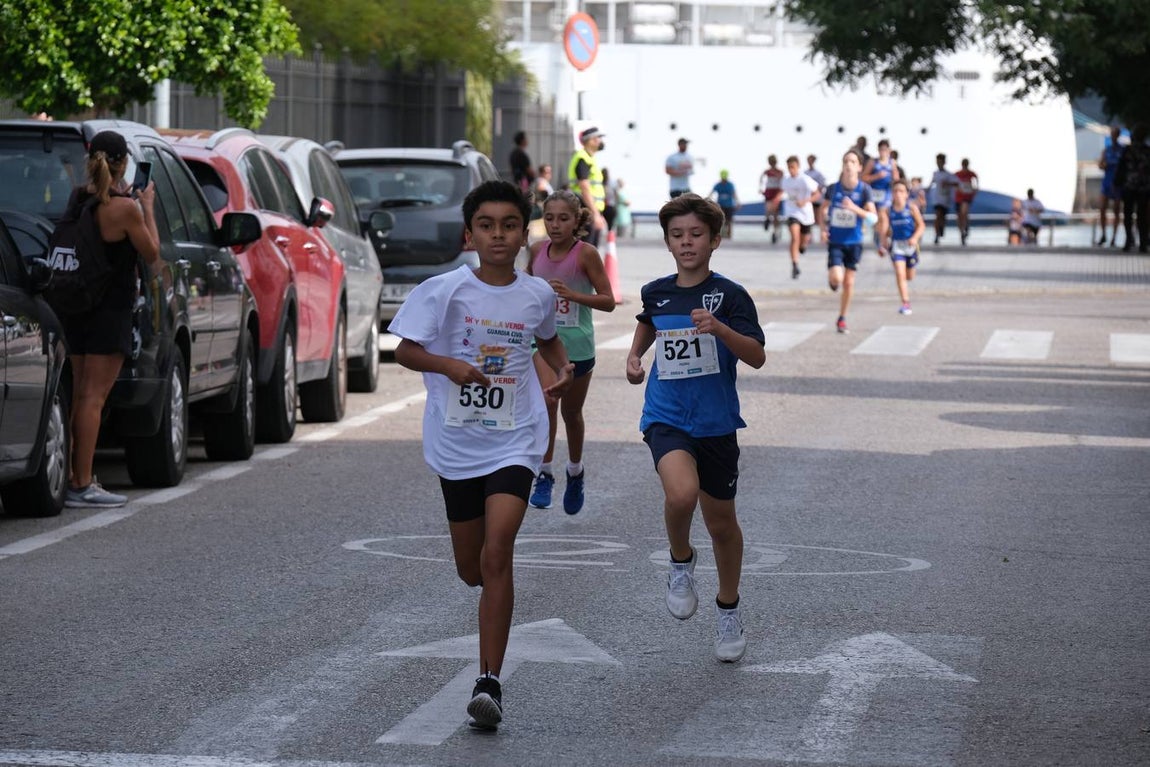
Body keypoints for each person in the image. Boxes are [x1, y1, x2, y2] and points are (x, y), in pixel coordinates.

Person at [390, 180, 575, 730]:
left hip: (517, 438)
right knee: (472, 569)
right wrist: (451, 366)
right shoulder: (443, 290)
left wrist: (562, 370)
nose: (499, 235)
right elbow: (403, 350)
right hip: (457, 444)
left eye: (510, 225)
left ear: (524, 233)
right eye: (488, 225)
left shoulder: (538, 293)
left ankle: (488, 682)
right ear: (470, 234)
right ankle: (490, 591)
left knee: (498, 553)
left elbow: (545, 340)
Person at [624, 193, 766, 663]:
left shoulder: (731, 295)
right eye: (678, 235)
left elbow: (757, 355)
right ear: (667, 242)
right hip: (666, 416)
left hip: (716, 423)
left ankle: (728, 608)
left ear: (714, 241)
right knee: (681, 495)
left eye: (696, 234)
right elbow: (649, 322)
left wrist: (721, 330)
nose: (687, 243)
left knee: (722, 522)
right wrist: (634, 355)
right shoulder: (657, 290)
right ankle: (680, 560)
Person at [64, 130, 160, 508]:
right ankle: (83, 484)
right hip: (110, 310)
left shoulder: (77, 199)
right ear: (123, 164)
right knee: (94, 397)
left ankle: (72, 476)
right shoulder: (124, 208)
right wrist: (147, 206)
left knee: (77, 396)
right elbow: (152, 254)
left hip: (75, 305)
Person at [526, 190, 616, 514]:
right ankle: (545, 472)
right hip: (545, 342)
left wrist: (573, 296)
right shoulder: (536, 251)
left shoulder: (586, 254)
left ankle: (575, 472)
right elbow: (523, 290)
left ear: (577, 220)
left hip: (578, 344)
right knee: (548, 402)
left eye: (563, 218)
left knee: (571, 414)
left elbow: (608, 301)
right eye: (549, 218)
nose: (554, 225)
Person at [823, 150, 877, 334]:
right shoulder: (833, 188)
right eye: (846, 161)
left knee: (849, 283)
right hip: (836, 242)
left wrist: (854, 208)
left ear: (859, 167)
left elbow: (873, 218)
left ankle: (842, 318)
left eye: (853, 161)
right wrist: (823, 228)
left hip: (855, 242)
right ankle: (833, 279)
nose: (848, 164)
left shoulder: (864, 190)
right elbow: (822, 210)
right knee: (838, 278)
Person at [885, 180, 926, 316]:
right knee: (899, 273)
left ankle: (905, 294)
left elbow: (921, 226)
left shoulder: (911, 208)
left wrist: (914, 238)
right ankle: (905, 302)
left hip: (911, 247)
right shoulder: (889, 210)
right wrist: (883, 240)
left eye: (901, 191)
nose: (898, 194)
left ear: (906, 194)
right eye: (895, 191)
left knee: (909, 276)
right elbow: (885, 229)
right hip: (897, 246)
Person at [780, 155, 821, 279]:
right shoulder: (786, 181)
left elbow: (818, 194)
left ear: (798, 167)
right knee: (794, 237)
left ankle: (803, 247)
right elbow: (782, 193)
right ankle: (795, 265)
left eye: (793, 167)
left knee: (803, 243)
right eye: (789, 167)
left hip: (806, 214)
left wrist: (805, 201)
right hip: (792, 212)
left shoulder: (805, 180)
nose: (791, 170)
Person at [568, 127, 608, 246]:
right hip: (585, 209)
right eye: (597, 138)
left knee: (589, 249)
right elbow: (584, 187)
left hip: (588, 209)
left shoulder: (589, 158)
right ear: (589, 141)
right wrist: (595, 214)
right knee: (586, 249)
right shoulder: (583, 159)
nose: (600, 141)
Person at [1116, 123, 1150, 253]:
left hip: (1130, 186)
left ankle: (1129, 240)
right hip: (1143, 187)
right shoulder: (1147, 151)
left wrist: (1117, 184)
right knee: (1142, 216)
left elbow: (1121, 169)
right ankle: (1142, 242)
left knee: (1128, 215)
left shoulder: (1128, 150)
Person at [862, 139, 898, 255]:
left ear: (889, 150)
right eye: (881, 149)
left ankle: (883, 243)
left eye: (885, 150)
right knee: (876, 219)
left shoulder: (892, 163)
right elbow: (863, 177)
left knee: (883, 215)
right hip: (874, 192)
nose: (883, 152)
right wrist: (877, 176)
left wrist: (894, 180)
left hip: (886, 193)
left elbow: (896, 179)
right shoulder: (873, 162)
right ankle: (879, 239)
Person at [1098, 125, 1125, 247]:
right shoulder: (1106, 150)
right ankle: (1103, 235)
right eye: (1112, 134)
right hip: (1107, 182)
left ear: (1118, 135)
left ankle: (1114, 238)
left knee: (1116, 210)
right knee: (1102, 208)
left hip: (1118, 183)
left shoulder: (1122, 150)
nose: (1113, 136)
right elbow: (1100, 164)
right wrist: (1104, 165)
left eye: (1115, 134)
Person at [928, 153, 958, 244]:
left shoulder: (948, 174)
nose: (939, 163)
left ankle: (941, 229)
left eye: (940, 161)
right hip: (937, 199)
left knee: (942, 216)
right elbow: (931, 183)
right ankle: (936, 235)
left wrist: (947, 184)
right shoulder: (935, 173)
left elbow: (956, 183)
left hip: (946, 199)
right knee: (938, 215)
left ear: (944, 162)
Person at [953, 158, 979, 245]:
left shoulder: (971, 174)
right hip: (958, 197)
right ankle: (962, 233)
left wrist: (974, 190)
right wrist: (957, 188)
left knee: (964, 212)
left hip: (967, 197)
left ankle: (966, 227)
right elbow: (954, 183)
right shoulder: (957, 174)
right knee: (959, 216)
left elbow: (976, 181)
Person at [759, 155, 784, 243]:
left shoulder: (780, 171)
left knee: (775, 214)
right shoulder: (767, 171)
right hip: (769, 191)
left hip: (776, 192)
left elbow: (782, 179)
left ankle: (775, 233)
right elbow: (761, 178)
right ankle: (767, 219)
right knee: (768, 209)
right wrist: (761, 188)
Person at [709, 169, 740, 238]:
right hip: (720, 206)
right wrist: (707, 200)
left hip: (729, 206)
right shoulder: (717, 185)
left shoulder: (730, 185)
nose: (724, 179)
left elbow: (734, 194)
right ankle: (721, 235)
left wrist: (738, 202)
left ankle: (729, 235)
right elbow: (711, 193)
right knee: (720, 221)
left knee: (729, 221)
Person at [805, 154, 828, 233]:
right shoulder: (805, 173)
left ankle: (821, 234)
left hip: (817, 199)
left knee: (818, 217)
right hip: (808, 199)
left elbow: (822, 185)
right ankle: (809, 235)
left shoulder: (818, 174)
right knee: (809, 218)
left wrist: (816, 193)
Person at [602, 167, 618, 232]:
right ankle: (610, 240)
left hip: (601, 206)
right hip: (611, 206)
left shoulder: (599, 184)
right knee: (610, 227)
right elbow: (616, 195)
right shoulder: (612, 184)